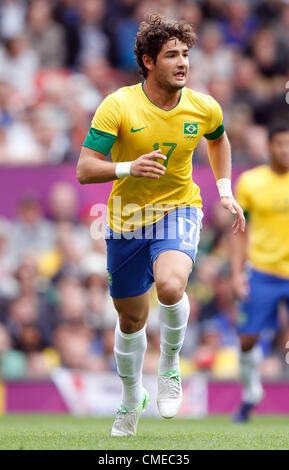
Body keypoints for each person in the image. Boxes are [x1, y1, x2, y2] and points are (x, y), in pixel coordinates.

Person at [77, 14, 245, 437]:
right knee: (131, 320)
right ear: (149, 61)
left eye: (186, 54)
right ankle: (132, 396)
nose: (183, 62)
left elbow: (219, 138)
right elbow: (84, 169)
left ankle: (170, 365)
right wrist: (127, 167)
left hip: (179, 209)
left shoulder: (204, 106)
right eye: (172, 55)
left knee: (171, 287)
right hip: (127, 220)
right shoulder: (119, 104)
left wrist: (224, 188)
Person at [231, 124, 289, 422]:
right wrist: (237, 273)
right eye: (280, 144)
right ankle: (251, 390)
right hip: (263, 270)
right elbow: (239, 232)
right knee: (247, 339)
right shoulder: (251, 182)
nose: (285, 150)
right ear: (269, 147)